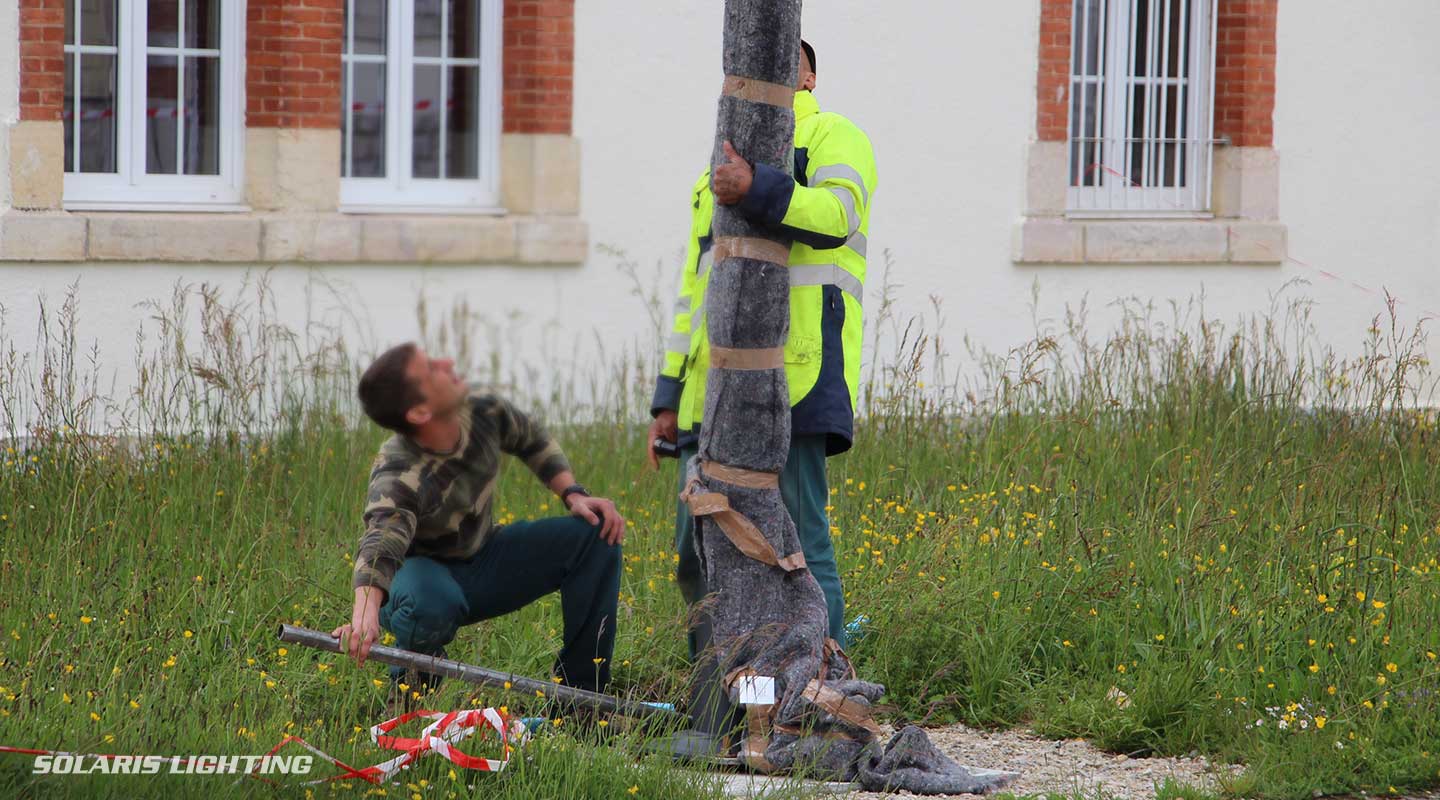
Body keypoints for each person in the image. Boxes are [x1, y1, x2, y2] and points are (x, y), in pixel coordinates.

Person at [648, 39, 877, 653]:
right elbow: (693, 292)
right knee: (695, 555)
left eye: (782, 63)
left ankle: (819, 696)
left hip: (795, 376)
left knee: (800, 545)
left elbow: (837, 215)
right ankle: (720, 702)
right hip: (709, 395)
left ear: (806, 76)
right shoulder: (714, 170)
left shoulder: (835, 136)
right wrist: (668, 398)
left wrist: (758, 189)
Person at [333, 343, 626, 708]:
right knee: (430, 602)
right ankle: (406, 701)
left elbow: (530, 437)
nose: (447, 362)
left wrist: (573, 494)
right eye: (431, 369)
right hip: (418, 583)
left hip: (484, 559)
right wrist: (364, 616)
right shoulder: (398, 470)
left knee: (595, 534)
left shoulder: (482, 411)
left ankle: (582, 705)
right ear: (420, 410)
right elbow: (381, 540)